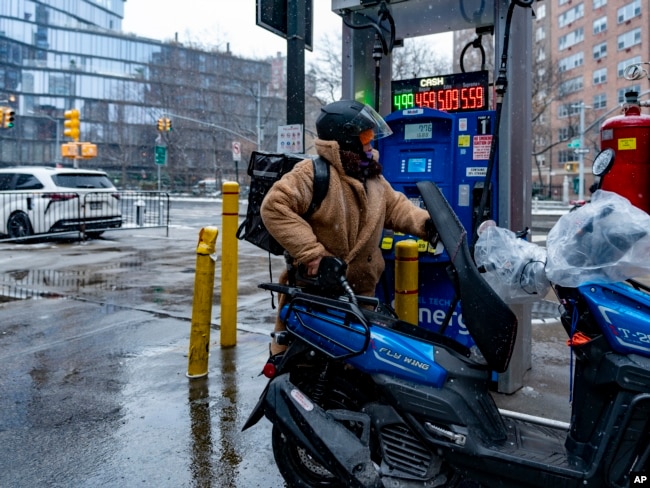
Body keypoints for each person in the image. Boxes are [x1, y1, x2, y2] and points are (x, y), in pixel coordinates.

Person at [261, 100, 435, 356]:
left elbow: (398, 208)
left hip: (360, 293)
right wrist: (312, 253)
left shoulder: (372, 177)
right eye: (365, 137)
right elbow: (274, 207)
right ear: (344, 140)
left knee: (354, 366)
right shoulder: (312, 173)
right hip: (316, 293)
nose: (371, 143)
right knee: (308, 364)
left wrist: (428, 224)